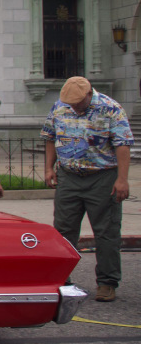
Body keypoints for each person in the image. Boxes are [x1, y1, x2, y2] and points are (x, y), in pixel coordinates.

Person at [42, 76, 133, 302]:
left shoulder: (111, 109)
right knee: (63, 230)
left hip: (102, 177)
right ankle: (62, 279)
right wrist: (49, 168)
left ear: (89, 94)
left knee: (106, 231)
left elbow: (122, 145)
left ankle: (107, 282)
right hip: (69, 176)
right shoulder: (59, 107)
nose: (74, 107)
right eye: (70, 104)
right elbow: (50, 138)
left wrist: (122, 179)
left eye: (78, 104)